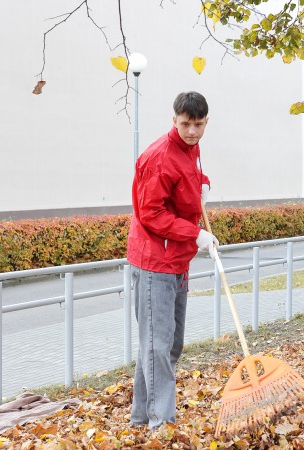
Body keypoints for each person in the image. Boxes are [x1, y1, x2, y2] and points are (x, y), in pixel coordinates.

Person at [127, 91, 219, 429]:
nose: (192, 131)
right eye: (185, 124)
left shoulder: (191, 148)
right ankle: (161, 425)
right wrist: (195, 234)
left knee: (166, 345)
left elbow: (190, 177)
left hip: (177, 259)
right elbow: (150, 213)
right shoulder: (159, 157)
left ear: (206, 121)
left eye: (198, 124)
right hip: (154, 261)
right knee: (158, 347)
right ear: (174, 120)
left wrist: (203, 184)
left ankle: (140, 418)